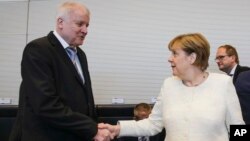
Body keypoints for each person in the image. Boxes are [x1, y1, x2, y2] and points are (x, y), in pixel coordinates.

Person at [99, 33, 245, 141]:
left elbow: (238, 128)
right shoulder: (169, 84)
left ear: (192, 58)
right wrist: (118, 129)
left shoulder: (223, 83)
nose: (170, 58)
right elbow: (153, 124)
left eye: (175, 53)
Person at [9, 1, 112, 141]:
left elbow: (85, 100)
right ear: (60, 22)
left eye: (87, 25)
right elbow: (45, 105)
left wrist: (94, 128)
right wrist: (91, 129)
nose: (85, 30)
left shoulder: (80, 55)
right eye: (80, 24)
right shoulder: (38, 50)